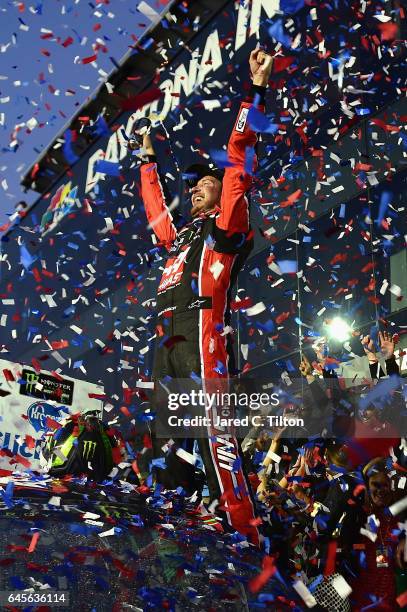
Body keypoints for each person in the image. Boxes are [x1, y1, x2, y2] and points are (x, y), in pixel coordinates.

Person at [132, 49, 274, 545]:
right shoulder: (179, 238)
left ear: (223, 194)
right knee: (168, 446)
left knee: (216, 444)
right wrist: (147, 158)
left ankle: (248, 542)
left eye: (205, 185)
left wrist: (255, 91)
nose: (195, 190)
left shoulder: (226, 226)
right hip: (166, 343)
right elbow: (155, 212)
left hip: (203, 337)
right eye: (192, 187)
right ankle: (176, 543)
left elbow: (238, 161)